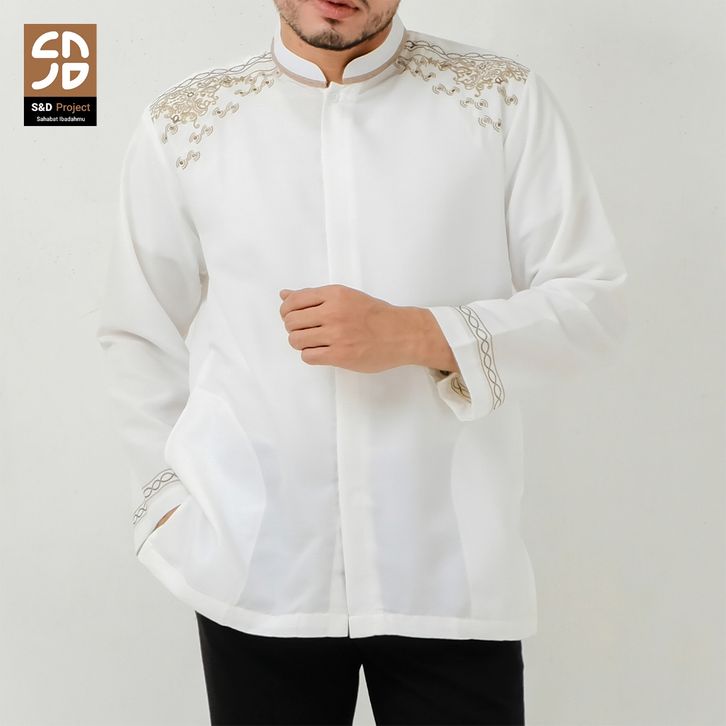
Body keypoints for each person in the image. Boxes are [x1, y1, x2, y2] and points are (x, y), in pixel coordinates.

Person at [95, 0, 628, 723]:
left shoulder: (502, 101)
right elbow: (137, 331)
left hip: (450, 573)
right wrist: (166, 505)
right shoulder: (185, 124)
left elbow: (593, 306)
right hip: (256, 569)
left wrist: (419, 334)